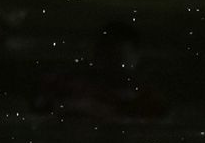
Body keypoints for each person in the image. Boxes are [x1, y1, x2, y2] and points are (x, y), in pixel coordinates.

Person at [35, 20, 169, 121]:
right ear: (95, 55)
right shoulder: (68, 86)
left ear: (136, 56)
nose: (112, 64)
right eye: (106, 56)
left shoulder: (146, 97)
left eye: (118, 57)